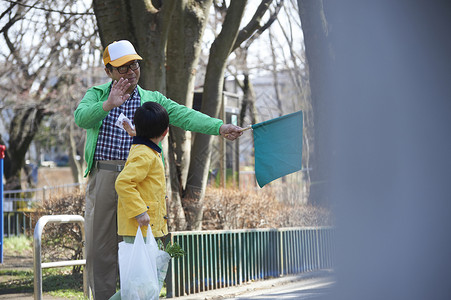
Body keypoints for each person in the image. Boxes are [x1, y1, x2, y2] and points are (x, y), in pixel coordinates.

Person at [74, 40, 242, 300]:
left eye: (134, 65)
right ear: (108, 71)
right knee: (100, 249)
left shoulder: (152, 99)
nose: (130, 72)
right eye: (122, 68)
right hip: (106, 176)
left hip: (140, 181)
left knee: (139, 249)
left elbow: (185, 115)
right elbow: (81, 118)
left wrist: (220, 127)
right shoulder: (97, 94)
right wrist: (108, 104)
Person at [109, 101, 169, 300]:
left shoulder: (144, 148)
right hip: (139, 227)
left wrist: (135, 133)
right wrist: (140, 211)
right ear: (166, 132)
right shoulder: (146, 154)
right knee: (139, 286)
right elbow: (124, 182)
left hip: (144, 228)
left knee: (141, 285)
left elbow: (142, 141)